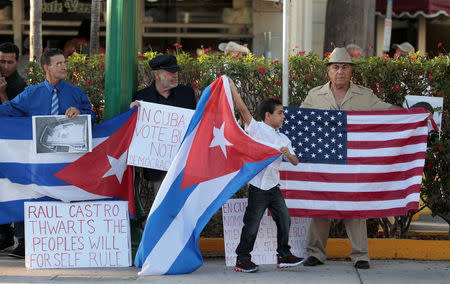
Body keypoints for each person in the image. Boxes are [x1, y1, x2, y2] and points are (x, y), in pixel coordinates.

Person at [301, 47, 402, 270]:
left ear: (351, 71)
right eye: (336, 67)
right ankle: (315, 253)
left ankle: (360, 255)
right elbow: (301, 123)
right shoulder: (314, 95)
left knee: (355, 207)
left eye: (345, 67)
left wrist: (414, 115)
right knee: (320, 206)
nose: (340, 71)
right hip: (324, 162)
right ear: (328, 70)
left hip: (353, 162)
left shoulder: (364, 96)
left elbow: (387, 111)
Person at [0, 48, 95, 258]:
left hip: (68, 160)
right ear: (46, 68)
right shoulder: (31, 94)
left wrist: (81, 113)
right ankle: (26, 242)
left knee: (64, 196)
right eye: (59, 63)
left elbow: (91, 116)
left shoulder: (75, 92)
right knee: (31, 195)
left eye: (64, 63)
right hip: (38, 160)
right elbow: (7, 112)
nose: (64, 66)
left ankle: (64, 240)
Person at [229, 79, 304, 273]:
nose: (283, 116)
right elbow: (243, 109)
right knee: (252, 224)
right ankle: (242, 259)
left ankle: (283, 255)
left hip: (273, 186)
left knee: (284, 219)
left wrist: (288, 154)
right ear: (267, 115)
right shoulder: (257, 129)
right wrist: (232, 87)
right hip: (258, 187)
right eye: (280, 113)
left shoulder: (283, 138)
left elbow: (295, 161)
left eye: (283, 113)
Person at [130, 54, 196, 196]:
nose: (175, 75)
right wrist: (132, 112)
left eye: (176, 71)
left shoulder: (187, 94)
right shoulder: (142, 98)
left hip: (183, 164)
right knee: (159, 204)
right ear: (157, 75)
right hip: (157, 168)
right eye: (171, 72)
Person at [0, 42, 27, 254]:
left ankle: (20, 238)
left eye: (10, 62)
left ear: (18, 61)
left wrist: (2, 94)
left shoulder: (20, 85)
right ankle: (4, 236)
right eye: (2, 61)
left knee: (15, 189)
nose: (5, 66)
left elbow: (16, 117)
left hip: (12, 146)